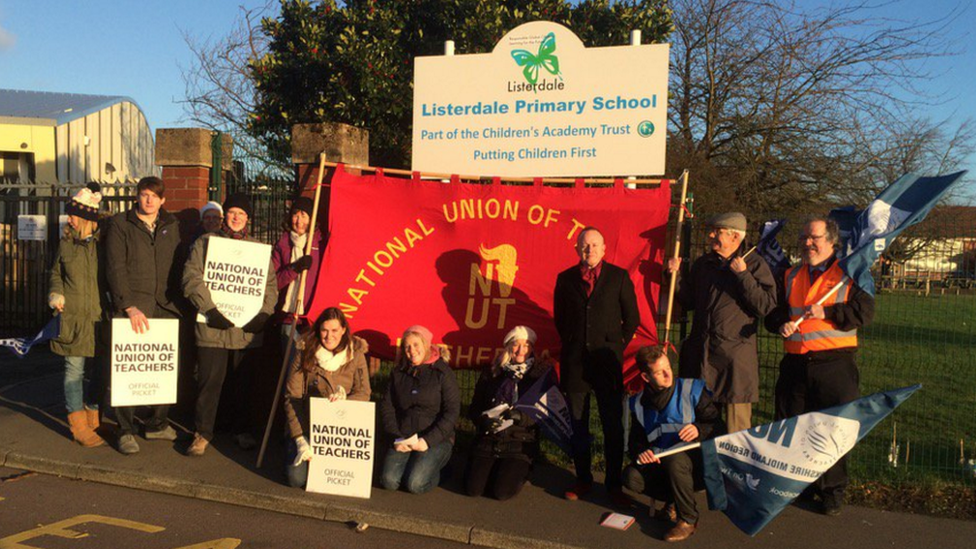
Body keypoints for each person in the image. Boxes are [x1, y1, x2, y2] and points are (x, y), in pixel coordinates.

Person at [764, 215, 874, 516]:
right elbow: (773, 312)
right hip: (795, 363)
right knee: (791, 427)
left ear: (832, 241)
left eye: (814, 238)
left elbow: (864, 313)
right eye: (804, 237)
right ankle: (795, 486)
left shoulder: (849, 273)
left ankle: (831, 491)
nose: (807, 243)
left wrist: (827, 311)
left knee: (832, 430)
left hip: (834, 364)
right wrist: (780, 323)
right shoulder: (789, 275)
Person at [182, 193, 278, 457]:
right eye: (232, 212)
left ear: (248, 218)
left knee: (243, 384)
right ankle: (202, 433)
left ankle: (241, 430)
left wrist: (264, 314)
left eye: (242, 214)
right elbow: (191, 278)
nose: (237, 218)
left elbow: (269, 286)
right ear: (225, 216)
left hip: (245, 331)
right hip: (212, 328)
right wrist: (210, 309)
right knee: (208, 384)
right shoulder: (205, 243)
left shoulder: (258, 249)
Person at [666, 212, 776, 433]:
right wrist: (674, 277)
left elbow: (765, 305)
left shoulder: (754, 264)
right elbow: (689, 301)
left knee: (737, 432)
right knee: (704, 426)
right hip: (703, 357)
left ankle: (735, 458)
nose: (710, 235)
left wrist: (743, 275)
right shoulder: (703, 264)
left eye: (717, 232)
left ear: (735, 236)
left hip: (735, 362)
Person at [553, 226, 640, 503]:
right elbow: (560, 319)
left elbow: (632, 318)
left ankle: (613, 485)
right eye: (585, 245)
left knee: (612, 425)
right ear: (577, 249)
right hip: (575, 363)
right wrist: (573, 341)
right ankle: (583, 479)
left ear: (604, 249)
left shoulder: (619, 277)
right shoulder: (565, 279)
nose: (589, 249)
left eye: (594, 245)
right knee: (578, 425)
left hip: (607, 364)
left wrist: (615, 345)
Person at [105, 176, 183, 455]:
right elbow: (115, 267)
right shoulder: (120, 224)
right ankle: (125, 429)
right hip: (134, 306)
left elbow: (179, 263)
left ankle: (157, 423)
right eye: (144, 194)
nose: (149, 200)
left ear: (163, 200)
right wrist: (128, 305)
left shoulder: (172, 225)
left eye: (154, 196)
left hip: (166, 305)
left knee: (164, 367)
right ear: (137, 196)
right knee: (129, 368)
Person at [622, 346, 724, 542]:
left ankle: (688, 519)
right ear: (645, 377)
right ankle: (673, 502)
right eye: (660, 372)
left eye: (668, 367)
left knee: (675, 460)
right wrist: (642, 452)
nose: (668, 374)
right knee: (630, 477)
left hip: (696, 465)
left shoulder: (691, 390)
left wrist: (698, 429)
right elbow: (635, 441)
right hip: (661, 464)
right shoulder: (639, 403)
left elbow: (718, 426)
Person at [283, 307, 371, 488]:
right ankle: (292, 444)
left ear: (343, 330)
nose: (329, 336)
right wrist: (300, 438)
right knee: (296, 479)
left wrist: (344, 402)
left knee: (341, 479)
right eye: (324, 330)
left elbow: (364, 392)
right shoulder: (305, 350)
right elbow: (293, 396)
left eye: (334, 330)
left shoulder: (356, 354)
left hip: (341, 429)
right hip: (307, 423)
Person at [464, 326, 554, 501]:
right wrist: (483, 421)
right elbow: (474, 408)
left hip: (519, 440)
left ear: (532, 348)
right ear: (508, 346)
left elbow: (544, 411)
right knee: (473, 490)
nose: (521, 350)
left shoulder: (539, 374)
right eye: (516, 345)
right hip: (490, 438)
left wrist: (521, 417)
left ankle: (522, 469)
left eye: (526, 345)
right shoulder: (492, 371)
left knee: (501, 492)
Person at [48, 183, 108, 447]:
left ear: (85, 217)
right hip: (72, 317)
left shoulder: (104, 244)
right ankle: (78, 426)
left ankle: (93, 413)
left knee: (101, 370)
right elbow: (56, 274)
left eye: (73, 214)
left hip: (99, 316)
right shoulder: (66, 244)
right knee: (73, 370)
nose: (69, 219)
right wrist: (55, 293)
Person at [379, 325, 459, 494]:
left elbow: (451, 412)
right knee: (389, 481)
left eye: (416, 345)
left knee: (415, 484)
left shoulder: (443, 373)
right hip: (404, 435)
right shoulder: (398, 372)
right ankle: (414, 465)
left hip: (436, 438)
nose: (412, 351)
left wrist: (427, 441)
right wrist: (395, 437)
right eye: (407, 346)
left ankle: (441, 469)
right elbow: (387, 407)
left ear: (427, 345)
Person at [271, 196, 324, 344]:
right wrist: (294, 269)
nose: (299, 221)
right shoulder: (282, 244)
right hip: (289, 317)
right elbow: (273, 282)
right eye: (295, 215)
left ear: (312, 219)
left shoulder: (320, 243)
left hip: (314, 317)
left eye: (304, 216)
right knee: (291, 357)